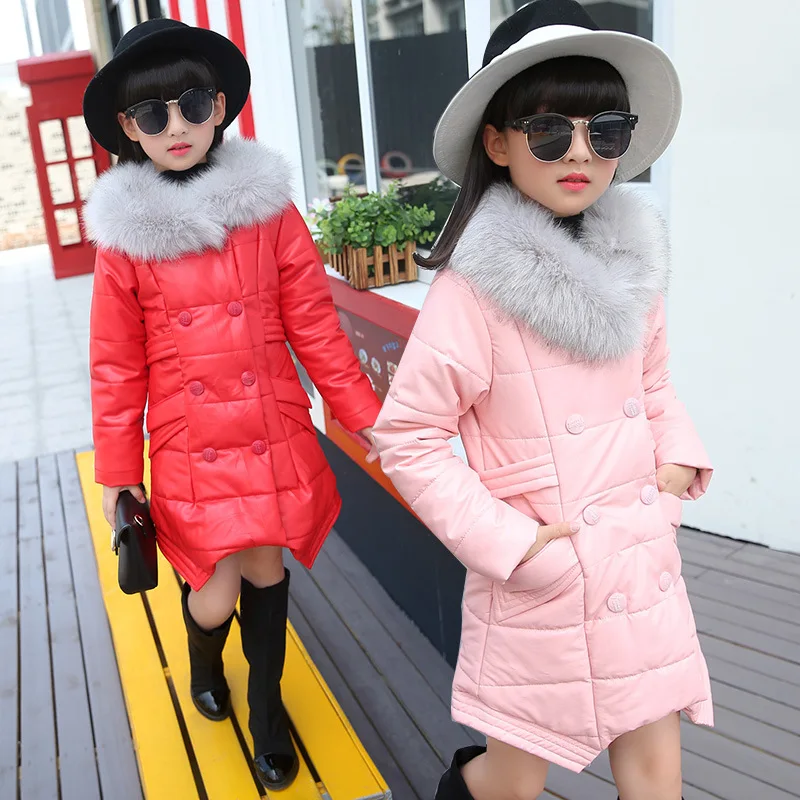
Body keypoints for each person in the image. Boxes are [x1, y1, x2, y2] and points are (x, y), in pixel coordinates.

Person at [369, 2, 713, 798]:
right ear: (498, 143)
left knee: (656, 774)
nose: (581, 152)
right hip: (544, 579)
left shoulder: (634, 266)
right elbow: (410, 435)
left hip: (636, 563)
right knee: (512, 783)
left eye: (606, 131)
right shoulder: (473, 292)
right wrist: (514, 544)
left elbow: (653, 384)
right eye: (550, 131)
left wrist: (674, 465)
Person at [82, 18, 380, 791]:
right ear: (129, 129)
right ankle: (203, 657)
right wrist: (118, 472)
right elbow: (115, 366)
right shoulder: (124, 243)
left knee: (265, 570)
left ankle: (268, 712)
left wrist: (362, 415)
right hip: (190, 444)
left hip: (268, 428)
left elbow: (314, 325)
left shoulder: (269, 212)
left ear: (218, 107)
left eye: (191, 105)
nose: (175, 127)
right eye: (153, 115)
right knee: (212, 597)